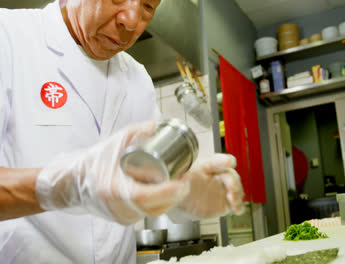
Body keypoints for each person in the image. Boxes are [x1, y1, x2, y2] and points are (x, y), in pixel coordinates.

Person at [0, 0, 245, 263]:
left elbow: (152, 177)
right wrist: (62, 187)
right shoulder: (10, 37)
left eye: (148, 6)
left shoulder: (138, 79)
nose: (131, 20)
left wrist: (183, 192)